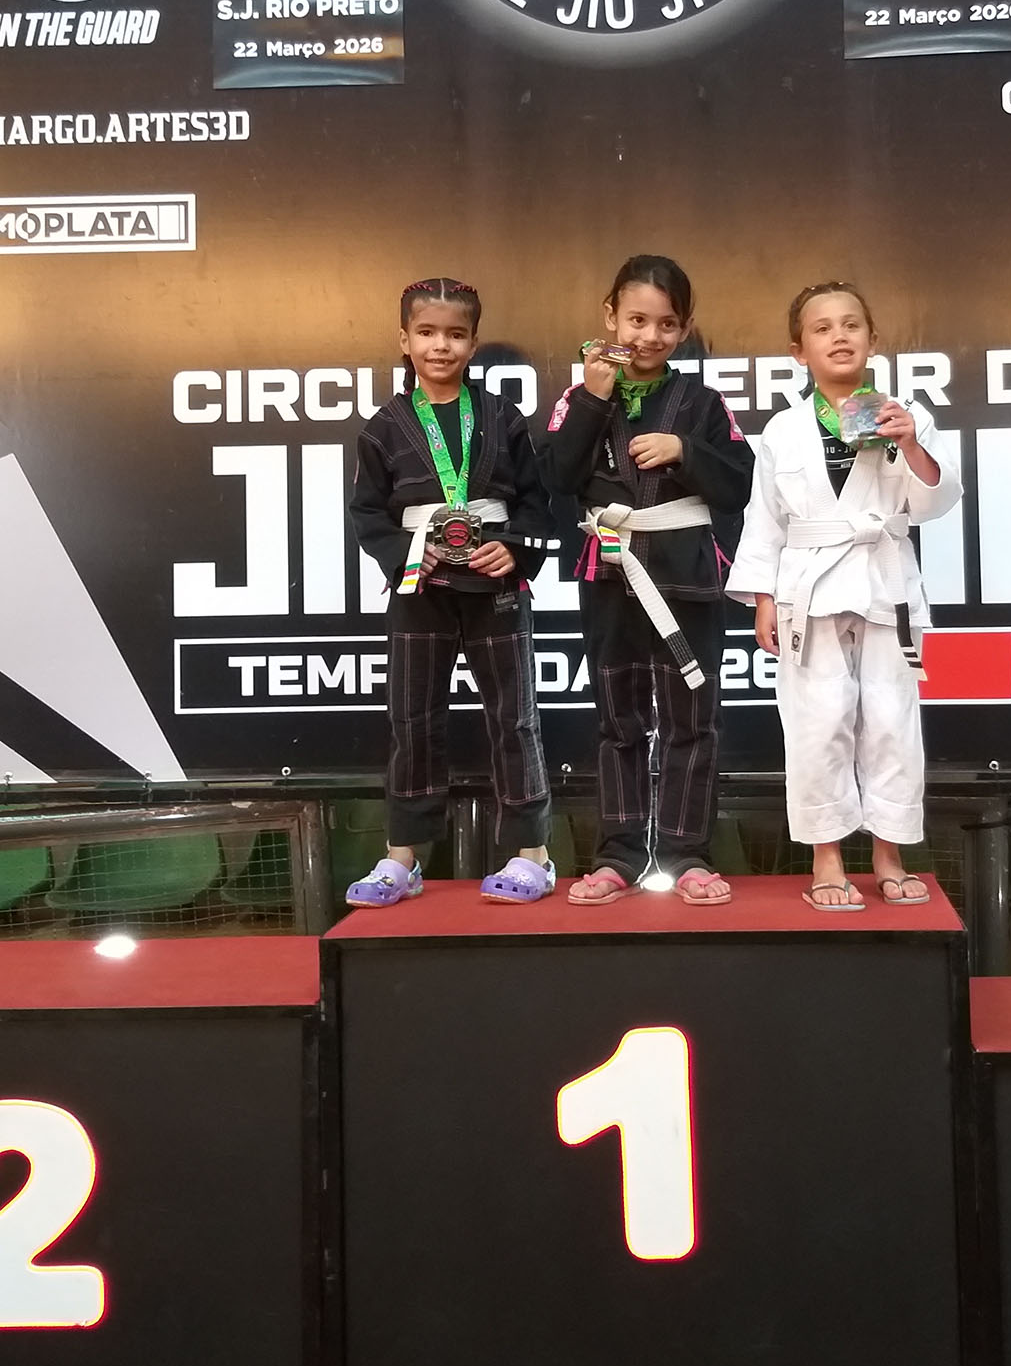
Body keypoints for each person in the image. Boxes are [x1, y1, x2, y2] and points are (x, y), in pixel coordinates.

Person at [727, 282, 961, 911]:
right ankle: (826, 858)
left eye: (851, 324)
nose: (839, 336)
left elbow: (935, 500)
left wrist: (909, 442)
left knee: (891, 720)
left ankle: (890, 854)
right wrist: (764, 598)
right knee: (817, 720)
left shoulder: (904, 415)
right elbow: (765, 518)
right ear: (798, 350)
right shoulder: (783, 429)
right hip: (809, 587)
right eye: (822, 328)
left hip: (885, 579)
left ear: (873, 339)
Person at [536, 254, 753, 906]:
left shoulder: (701, 403)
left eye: (666, 324)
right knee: (619, 721)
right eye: (636, 320)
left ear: (684, 328)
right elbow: (556, 479)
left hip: (688, 579)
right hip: (610, 574)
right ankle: (619, 854)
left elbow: (739, 486)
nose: (649, 336)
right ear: (610, 316)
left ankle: (688, 854)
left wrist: (686, 451)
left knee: (693, 720)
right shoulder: (579, 398)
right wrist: (593, 398)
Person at [346, 277, 557, 905]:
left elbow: (537, 504)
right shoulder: (383, 427)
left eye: (456, 334)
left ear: (473, 342)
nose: (441, 346)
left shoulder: (501, 417)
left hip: (496, 584)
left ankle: (533, 855)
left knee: (515, 719)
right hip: (420, 586)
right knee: (411, 720)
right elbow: (368, 515)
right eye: (427, 333)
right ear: (404, 339)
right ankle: (402, 860)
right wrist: (407, 552)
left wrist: (515, 548)